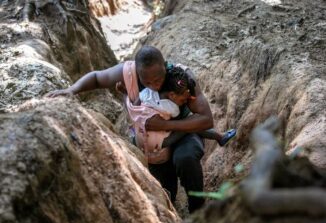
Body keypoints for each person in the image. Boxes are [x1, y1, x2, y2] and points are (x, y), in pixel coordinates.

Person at [47, 45, 235, 213]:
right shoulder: (128, 73)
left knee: (185, 159)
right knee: (165, 193)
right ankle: (174, 217)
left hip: (184, 133)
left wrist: (166, 125)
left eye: (159, 79)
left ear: (165, 65)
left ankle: (197, 210)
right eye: (148, 82)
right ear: (138, 72)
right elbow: (96, 78)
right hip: (152, 145)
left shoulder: (181, 79)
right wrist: (71, 90)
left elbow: (206, 120)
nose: (154, 84)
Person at [129, 65, 236, 162]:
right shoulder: (173, 109)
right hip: (162, 141)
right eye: (183, 100)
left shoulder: (146, 93)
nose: (185, 102)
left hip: (141, 139)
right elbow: (184, 121)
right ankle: (219, 137)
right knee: (188, 126)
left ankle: (219, 137)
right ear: (172, 95)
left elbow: (135, 103)